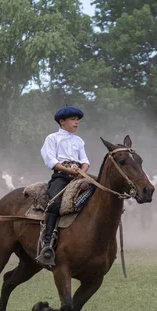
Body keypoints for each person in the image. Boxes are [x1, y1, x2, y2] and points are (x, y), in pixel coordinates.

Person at [36, 106, 90, 267]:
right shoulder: (52, 139)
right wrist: (68, 170)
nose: (76, 123)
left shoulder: (79, 141)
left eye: (77, 120)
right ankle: (47, 244)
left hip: (79, 176)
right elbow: (50, 160)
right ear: (62, 122)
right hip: (61, 177)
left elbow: (85, 160)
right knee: (55, 203)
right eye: (73, 119)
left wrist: (82, 171)